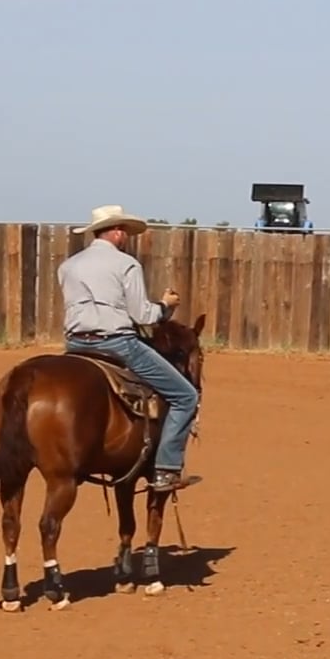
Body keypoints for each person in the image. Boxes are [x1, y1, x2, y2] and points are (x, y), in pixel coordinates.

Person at [57, 204, 202, 492]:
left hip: (75, 344)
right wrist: (166, 306)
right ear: (117, 232)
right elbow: (142, 316)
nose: (125, 235)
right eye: (123, 230)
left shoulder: (68, 266)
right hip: (117, 344)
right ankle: (166, 470)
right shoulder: (126, 265)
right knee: (185, 396)